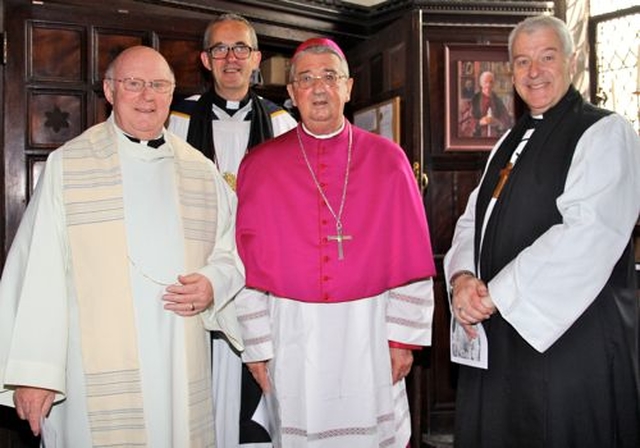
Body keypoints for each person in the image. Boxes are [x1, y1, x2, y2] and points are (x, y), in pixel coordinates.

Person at [0, 45, 244, 447]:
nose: (147, 96)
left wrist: (214, 283)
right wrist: (34, 373)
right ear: (110, 91)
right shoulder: (70, 165)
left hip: (178, 358)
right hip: (92, 368)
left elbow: (234, 247)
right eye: (133, 84)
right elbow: (37, 270)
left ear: (171, 94)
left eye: (159, 85)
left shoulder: (201, 170)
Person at [444, 15, 640, 448]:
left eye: (546, 57)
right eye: (522, 61)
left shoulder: (605, 132)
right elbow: (472, 220)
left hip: (572, 341)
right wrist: (461, 280)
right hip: (501, 331)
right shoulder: (507, 140)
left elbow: (587, 234)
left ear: (571, 62)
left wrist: (494, 294)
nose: (533, 72)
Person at [234, 37, 436, 447]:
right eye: (305, 79)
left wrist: (402, 340)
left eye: (330, 76)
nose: (319, 87)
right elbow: (246, 267)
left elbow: (409, 256)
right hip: (292, 330)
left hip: (369, 328)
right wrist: (256, 348)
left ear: (348, 87)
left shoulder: (389, 160)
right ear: (291, 94)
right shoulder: (260, 166)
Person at [168, 13, 296, 447]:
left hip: (260, 276)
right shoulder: (175, 120)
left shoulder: (282, 123)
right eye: (220, 49)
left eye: (240, 48)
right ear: (205, 59)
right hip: (198, 270)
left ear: (256, 58)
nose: (231, 58)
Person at [470, 71, 511, 137]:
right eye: (485, 82)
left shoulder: (498, 101)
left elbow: (507, 120)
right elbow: (466, 122)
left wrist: (497, 122)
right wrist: (480, 122)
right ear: (481, 83)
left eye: (491, 82)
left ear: (494, 84)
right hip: (478, 137)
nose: (488, 85)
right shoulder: (474, 100)